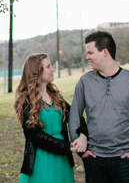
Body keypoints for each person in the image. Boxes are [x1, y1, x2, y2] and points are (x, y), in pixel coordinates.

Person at [69, 31, 129, 183]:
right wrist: (82, 152)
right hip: (94, 160)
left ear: (105, 52)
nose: (87, 57)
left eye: (90, 53)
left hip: (126, 160)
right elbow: (74, 115)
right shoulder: (84, 82)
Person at [14, 53, 88, 183]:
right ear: (37, 71)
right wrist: (67, 146)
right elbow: (35, 136)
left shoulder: (55, 96)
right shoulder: (25, 101)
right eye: (48, 66)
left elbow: (75, 117)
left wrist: (83, 135)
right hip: (41, 160)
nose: (52, 69)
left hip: (63, 159)